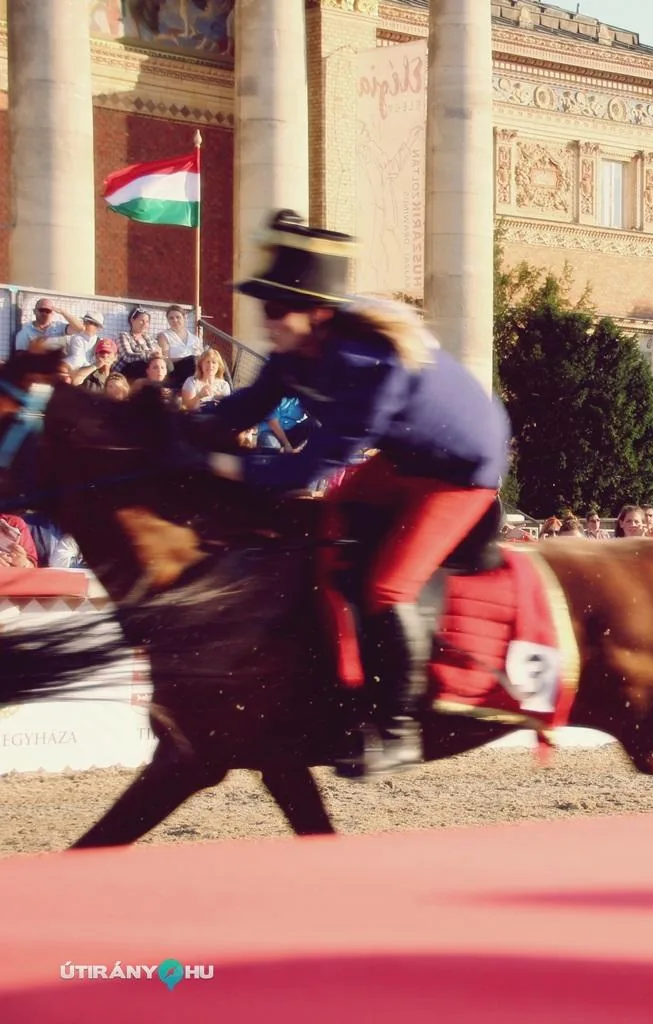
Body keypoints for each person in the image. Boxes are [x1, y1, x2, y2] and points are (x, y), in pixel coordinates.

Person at [188, 210, 512, 779]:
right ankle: (338, 679)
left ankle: (397, 730)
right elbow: (241, 409)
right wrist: (173, 428)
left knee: (386, 586)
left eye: (273, 309)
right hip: (410, 458)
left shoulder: (370, 365)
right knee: (328, 531)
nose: (265, 320)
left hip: (463, 472)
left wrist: (218, 464)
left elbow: (307, 468)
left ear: (315, 314)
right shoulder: (299, 353)